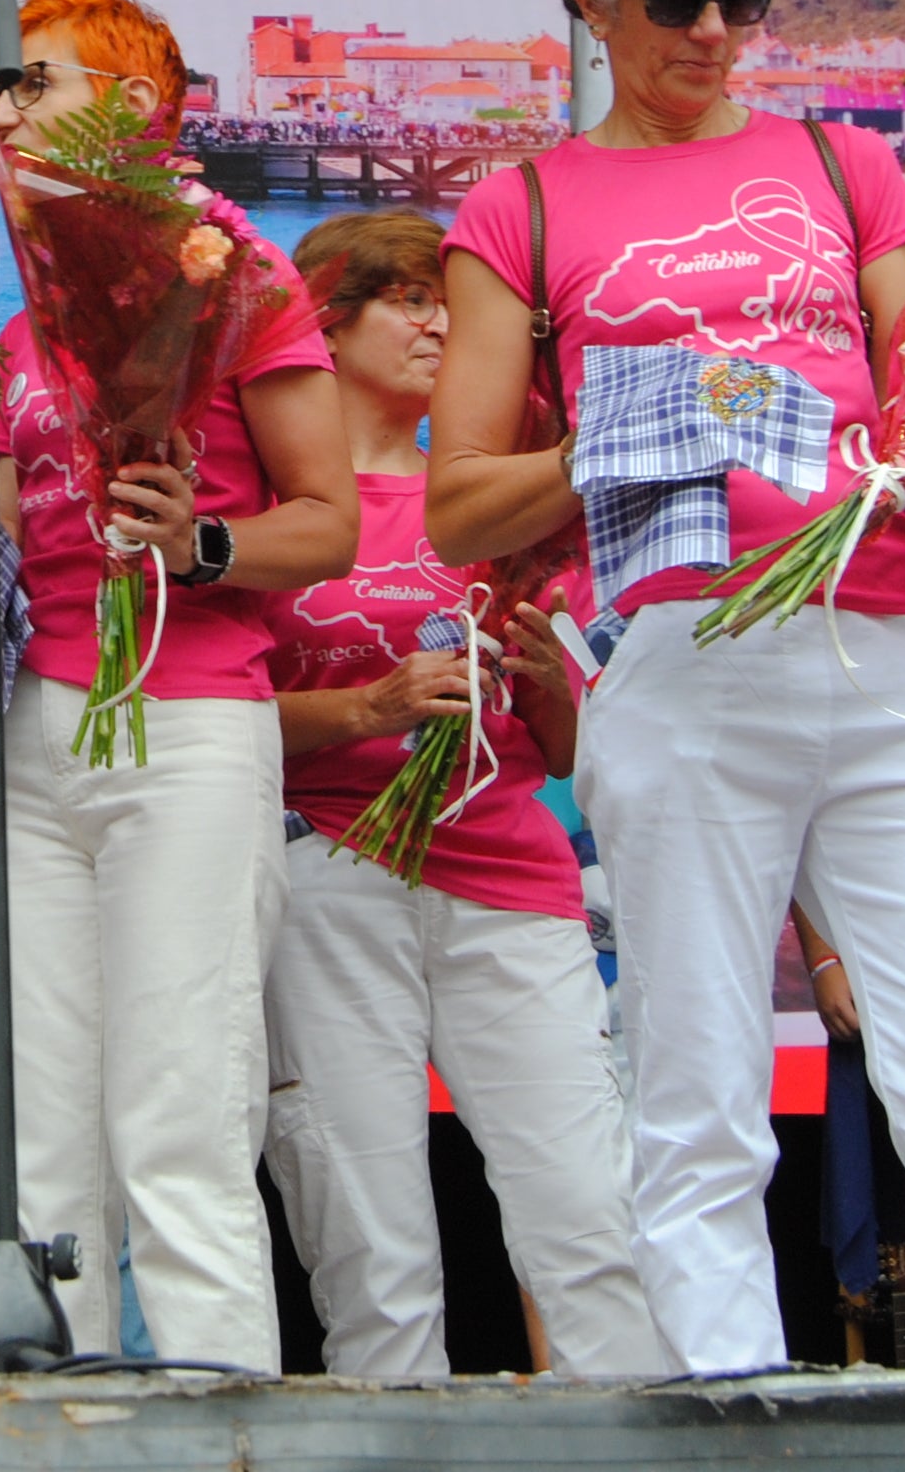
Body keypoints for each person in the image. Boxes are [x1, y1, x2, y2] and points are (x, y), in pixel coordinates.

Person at [428, 0, 905, 1376]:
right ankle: (732, 1411)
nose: (717, 32)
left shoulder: (843, 165)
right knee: (696, 1087)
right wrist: (624, 430)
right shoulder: (520, 204)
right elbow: (460, 501)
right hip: (683, 656)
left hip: (900, 645)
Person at [0, 0, 355, 1373]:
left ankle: (223, 1411)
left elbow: (329, 523)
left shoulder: (234, 268)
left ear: (134, 112)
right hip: (31, 733)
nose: (3, 111)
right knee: (36, 1137)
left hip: (190, 727)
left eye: (34, 84)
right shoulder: (23, 315)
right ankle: (57, 1421)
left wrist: (197, 542)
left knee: (180, 1124)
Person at [257, 209, 666, 1376]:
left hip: (510, 875)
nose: (440, 323)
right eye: (407, 299)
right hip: (328, 865)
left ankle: (629, 1449)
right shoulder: (279, 510)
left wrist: (549, 683)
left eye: (448, 301)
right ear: (321, 324)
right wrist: (365, 711)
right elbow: (209, 715)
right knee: (368, 1246)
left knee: (586, 1217)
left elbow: (571, 744)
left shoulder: (502, 497)